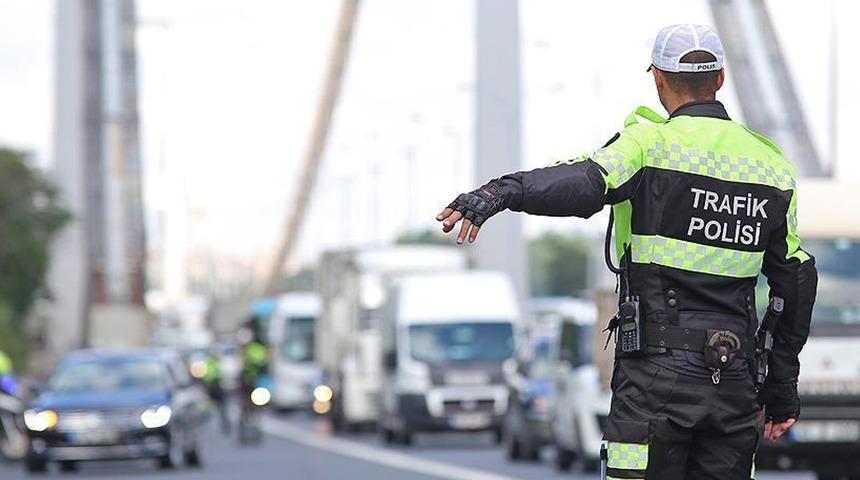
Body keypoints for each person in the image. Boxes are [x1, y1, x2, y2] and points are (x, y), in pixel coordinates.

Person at [436, 24, 817, 479]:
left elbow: (583, 183)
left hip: (655, 378)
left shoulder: (647, 145)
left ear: (658, 78)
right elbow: (796, 281)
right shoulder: (772, 167)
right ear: (719, 78)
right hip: (733, 379)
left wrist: (502, 192)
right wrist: (781, 387)